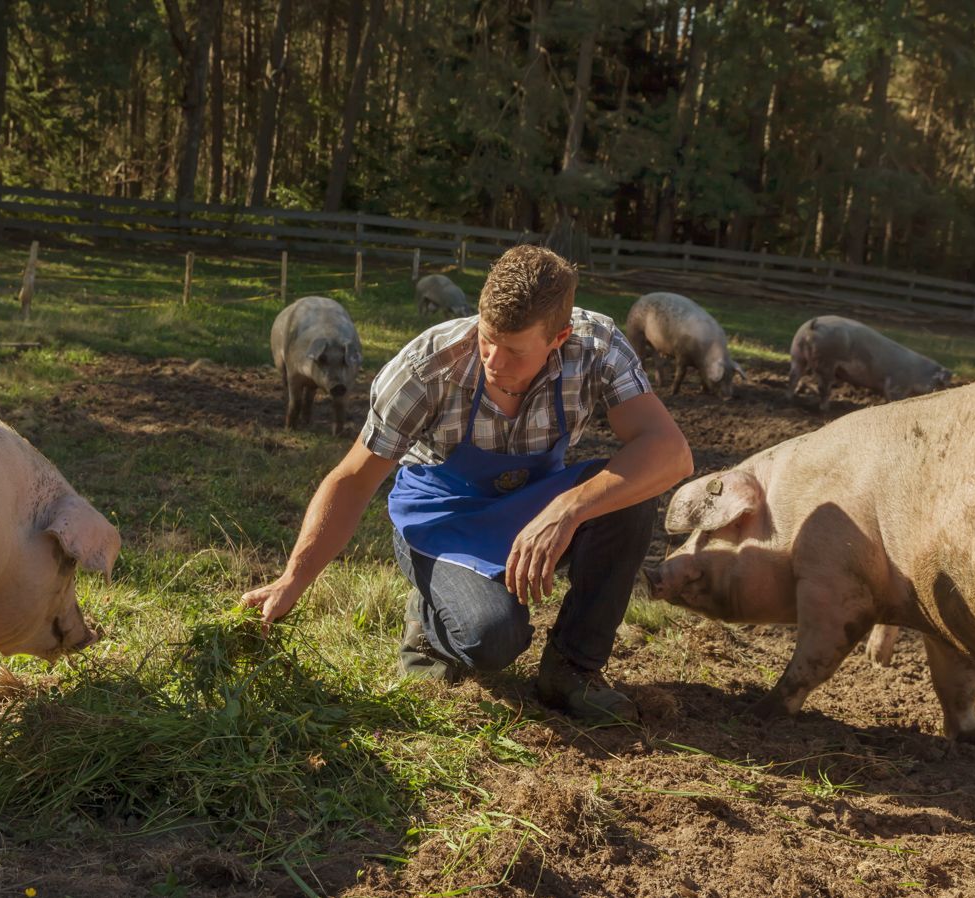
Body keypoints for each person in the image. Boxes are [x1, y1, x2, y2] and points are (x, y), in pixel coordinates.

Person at [242, 245, 693, 724]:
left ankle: (572, 670)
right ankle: (429, 621)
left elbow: (670, 453)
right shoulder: (426, 368)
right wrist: (293, 579)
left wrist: (570, 509)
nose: (494, 360)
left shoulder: (597, 347)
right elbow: (353, 480)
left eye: (514, 350)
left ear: (559, 337)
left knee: (630, 497)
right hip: (443, 516)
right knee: (493, 639)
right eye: (487, 337)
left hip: (535, 503)